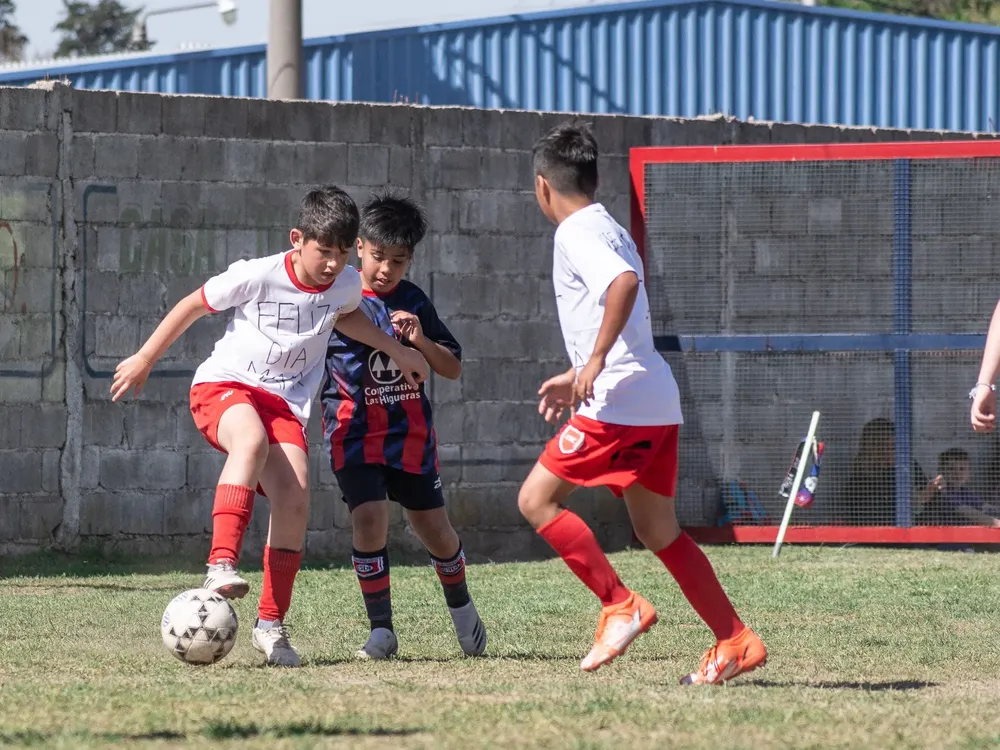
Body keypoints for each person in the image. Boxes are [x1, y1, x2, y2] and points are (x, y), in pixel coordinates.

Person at [110, 186, 430, 667]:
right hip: (225, 386)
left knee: (296, 496)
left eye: (342, 253)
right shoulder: (256, 275)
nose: (331, 263)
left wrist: (400, 351)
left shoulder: (344, 284)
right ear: (297, 239)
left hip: (283, 405)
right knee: (251, 441)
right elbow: (192, 305)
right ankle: (220, 563)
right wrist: (144, 357)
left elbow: (349, 321)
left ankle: (270, 625)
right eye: (323, 251)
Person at [515, 120, 766, 684]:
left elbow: (623, 285)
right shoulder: (608, 225)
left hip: (618, 403)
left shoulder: (574, 232)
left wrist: (597, 362)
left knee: (536, 500)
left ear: (542, 187)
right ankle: (735, 640)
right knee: (658, 532)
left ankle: (620, 605)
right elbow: (619, 302)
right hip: (655, 398)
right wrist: (579, 368)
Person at [321, 190, 486, 660]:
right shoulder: (338, 292)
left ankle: (462, 608)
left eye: (398, 260)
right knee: (369, 519)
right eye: (378, 257)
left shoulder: (414, 301)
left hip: (409, 437)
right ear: (359, 247)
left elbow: (450, 367)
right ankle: (382, 631)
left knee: (435, 530)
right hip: (352, 432)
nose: (386, 269)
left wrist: (419, 342)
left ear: (410, 259)